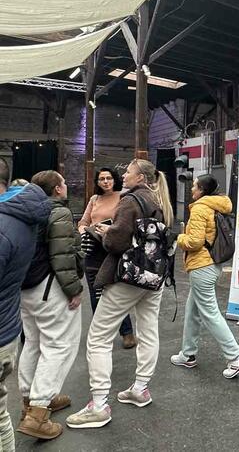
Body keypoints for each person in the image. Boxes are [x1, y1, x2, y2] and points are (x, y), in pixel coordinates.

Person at [66, 159, 174, 430]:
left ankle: (99, 405)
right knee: (148, 330)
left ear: (140, 177)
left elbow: (116, 243)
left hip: (128, 277)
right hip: (154, 277)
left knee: (98, 337)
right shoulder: (158, 199)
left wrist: (105, 232)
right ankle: (140, 388)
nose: (123, 175)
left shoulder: (130, 201)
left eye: (128, 171)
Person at [16, 171, 84, 440]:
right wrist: (73, 289)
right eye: (64, 183)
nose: (66, 186)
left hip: (26, 288)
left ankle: (29, 401)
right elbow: (63, 254)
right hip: (50, 288)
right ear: (57, 189)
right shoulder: (59, 212)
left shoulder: (25, 211)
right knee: (58, 346)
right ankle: (38, 412)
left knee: (32, 343)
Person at [170, 174, 239, 378]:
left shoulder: (200, 208)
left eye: (195, 186)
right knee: (192, 311)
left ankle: (235, 356)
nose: (192, 189)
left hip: (201, 266)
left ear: (202, 190)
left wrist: (177, 237)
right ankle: (188, 354)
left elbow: (194, 242)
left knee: (210, 313)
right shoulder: (218, 205)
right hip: (212, 263)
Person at [0, 160, 51, 451]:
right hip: (9, 326)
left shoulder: (5, 224)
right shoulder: (21, 217)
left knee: (55, 344)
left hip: (7, 323)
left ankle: (38, 402)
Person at [78, 167, 135, 350]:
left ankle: (127, 332)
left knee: (115, 293)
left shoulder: (123, 197)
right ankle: (101, 333)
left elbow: (126, 224)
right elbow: (83, 222)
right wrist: (84, 231)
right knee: (95, 292)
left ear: (114, 179)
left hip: (112, 249)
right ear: (97, 182)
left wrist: (109, 230)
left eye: (108, 178)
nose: (105, 181)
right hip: (92, 249)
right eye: (101, 178)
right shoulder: (94, 199)